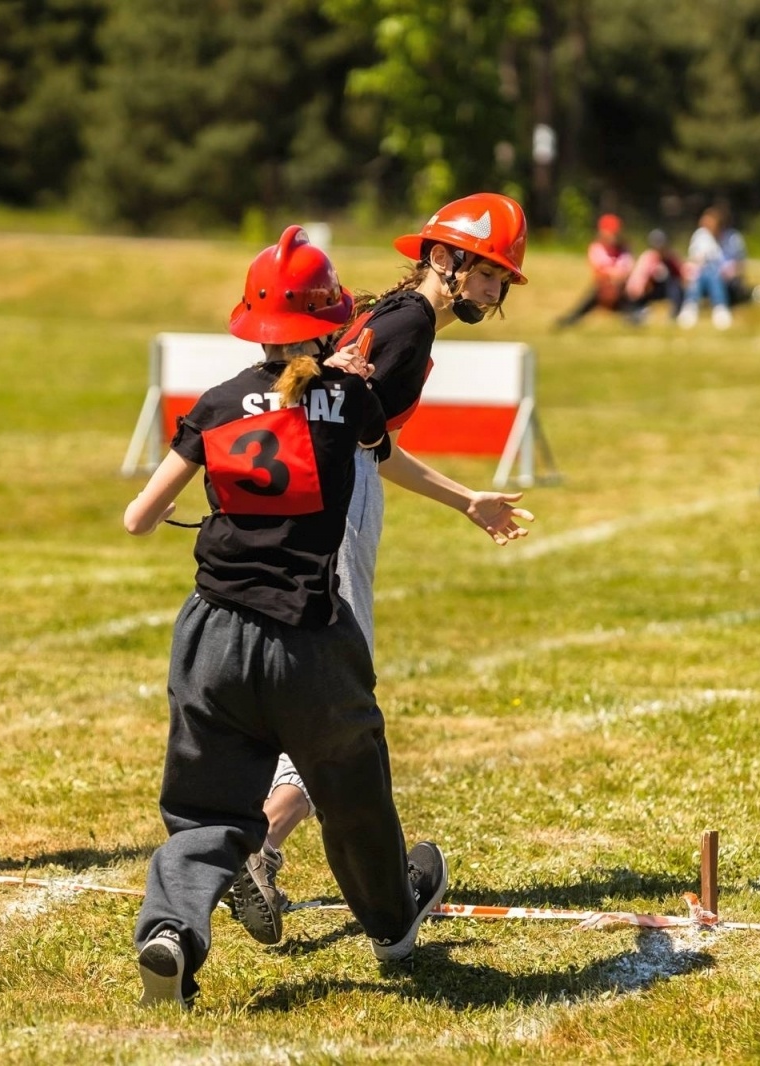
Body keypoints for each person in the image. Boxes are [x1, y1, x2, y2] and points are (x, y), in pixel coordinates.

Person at [123, 225, 447, 1008]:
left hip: (212, 633)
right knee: (355, 793)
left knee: (204, 807)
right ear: (328, 319)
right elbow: (372, 440)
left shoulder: (217, 404)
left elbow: (139, 516)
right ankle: (392, 926)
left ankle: (171, 929)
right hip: (311, 636)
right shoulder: (350, 401)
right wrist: (348, 379)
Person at [225, 194, 533, 947]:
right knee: (336, 688)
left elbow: (362, 432)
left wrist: (467, 502)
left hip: (327, 485)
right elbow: (357, 438)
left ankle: (257, 840)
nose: (495, 294)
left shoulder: (398, 318)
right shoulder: (409, 325)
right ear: (444, 260)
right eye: (490, 275)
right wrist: (463, 501)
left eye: (501, 281)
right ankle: (259, 847)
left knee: (312, 679)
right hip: (341, 498)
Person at [554, 213, 636, 327]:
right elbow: (599, 271)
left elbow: (627, 270)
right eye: (611, 232)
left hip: (621, 290)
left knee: (630, 299)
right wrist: (614, 276)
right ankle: (571, 320)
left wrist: (615, 276)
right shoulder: (597, 247)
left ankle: (633, 318)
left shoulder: (624, 248)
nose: (614, 236)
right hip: (603, 288)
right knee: (592, 296)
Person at [678, 207, 732, 329]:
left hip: (718, 275)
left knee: (712, 274)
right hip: (700, 273)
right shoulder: (700, 236)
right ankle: (692, 306)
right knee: (700, 274)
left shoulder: (725, 237)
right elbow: (694, 259)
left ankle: (719, 307)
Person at [625, 228, 685, 322]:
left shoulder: (671, 258)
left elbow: (682, 273)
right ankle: (638, 311)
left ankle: (676, 312)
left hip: (665, 289)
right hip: (647, 292)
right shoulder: (647, 258)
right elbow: (636, 284)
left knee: (674, 285)